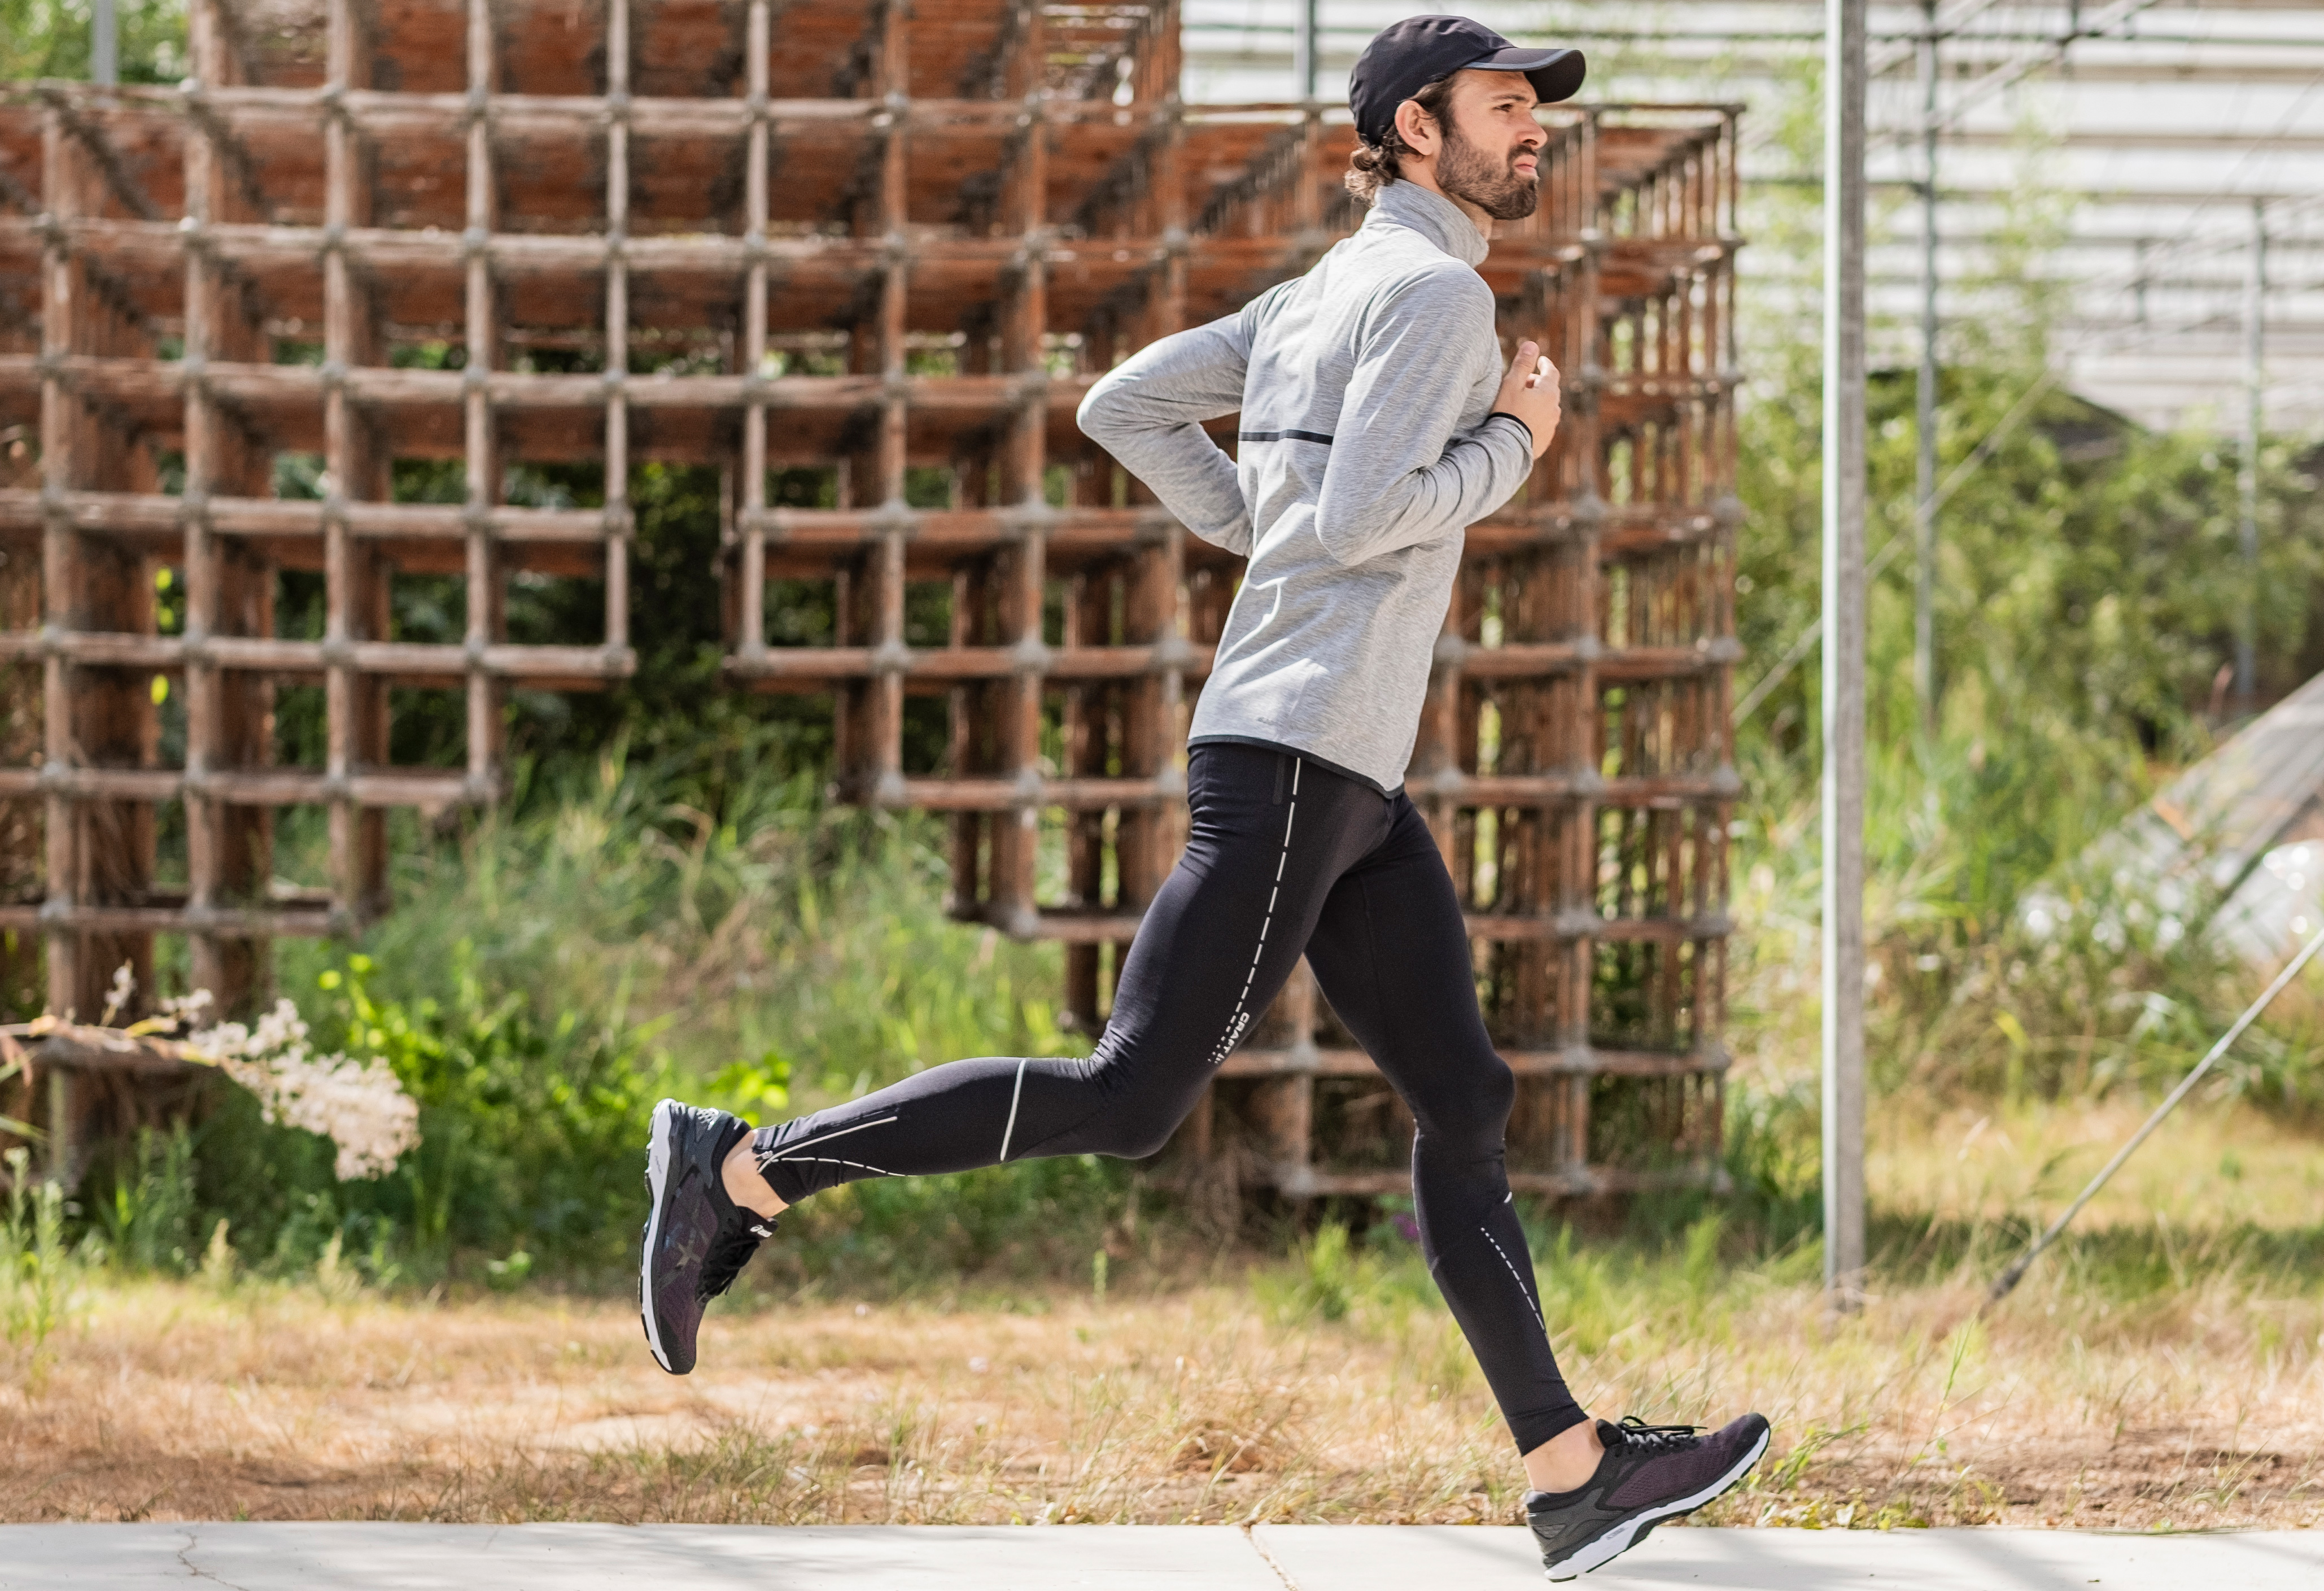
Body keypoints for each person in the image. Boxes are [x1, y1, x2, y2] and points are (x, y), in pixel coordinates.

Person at [636, 14, 1768, 1579]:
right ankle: (742, 1166)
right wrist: (1517, 437)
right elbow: (1372, 514)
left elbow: (1125, 404)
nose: (1535, 134)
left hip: (1343, 770)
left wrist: (1265, 524)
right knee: (1130, 1091)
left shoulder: (1319, 293)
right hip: (1302, 754)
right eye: (1506, 108)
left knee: (1466, 1101)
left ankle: (1571, 1470)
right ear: (1415, 131)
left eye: (1536, 111)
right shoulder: (1439, 293)